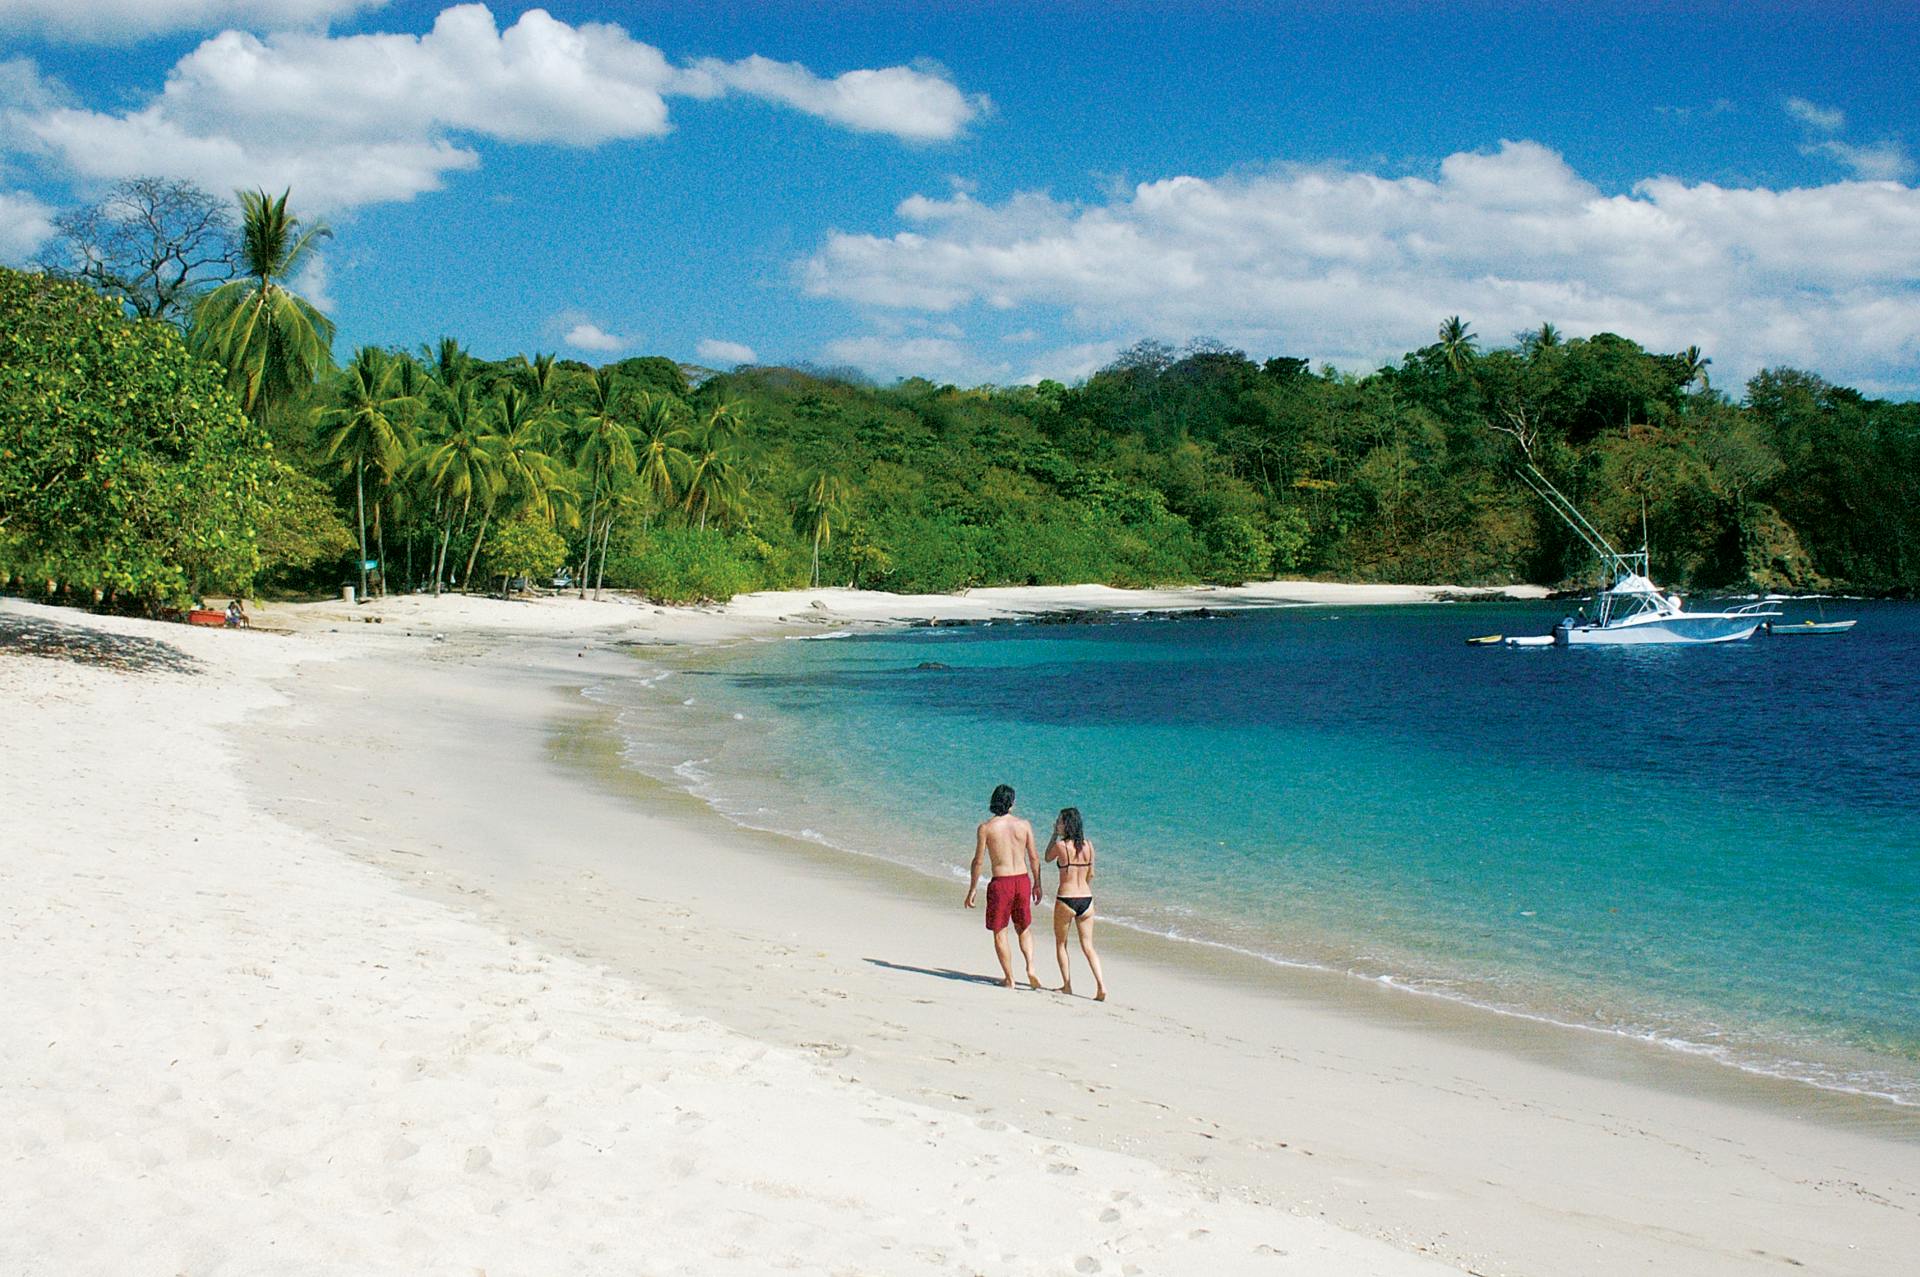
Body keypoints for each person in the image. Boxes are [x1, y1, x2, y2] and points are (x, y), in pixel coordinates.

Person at [963, 783, 1043, 990]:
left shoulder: (986, 828)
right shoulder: (1024, 825)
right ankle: (1031, 967)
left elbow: (978, 861)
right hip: (1022, 880)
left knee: (1000, 931)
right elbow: (1034, 857)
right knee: (1023, 927)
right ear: (1011, 804)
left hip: (1002, 882)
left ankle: (1010, 978)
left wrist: (973, 888)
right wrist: (1037, 883)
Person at [1045, 807, 1108, 1001]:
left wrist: (1054, 834)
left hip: (1067, 897)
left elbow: (1047, 857)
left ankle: (1067, 985)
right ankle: (1101, 985)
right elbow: (1091, 874)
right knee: (1088, 946)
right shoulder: (1088, 846)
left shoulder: (1061, 846)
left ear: (1067, 824)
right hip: (1086, 899)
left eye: (1060, 821)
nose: (1058, 823)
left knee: (1061, 943)